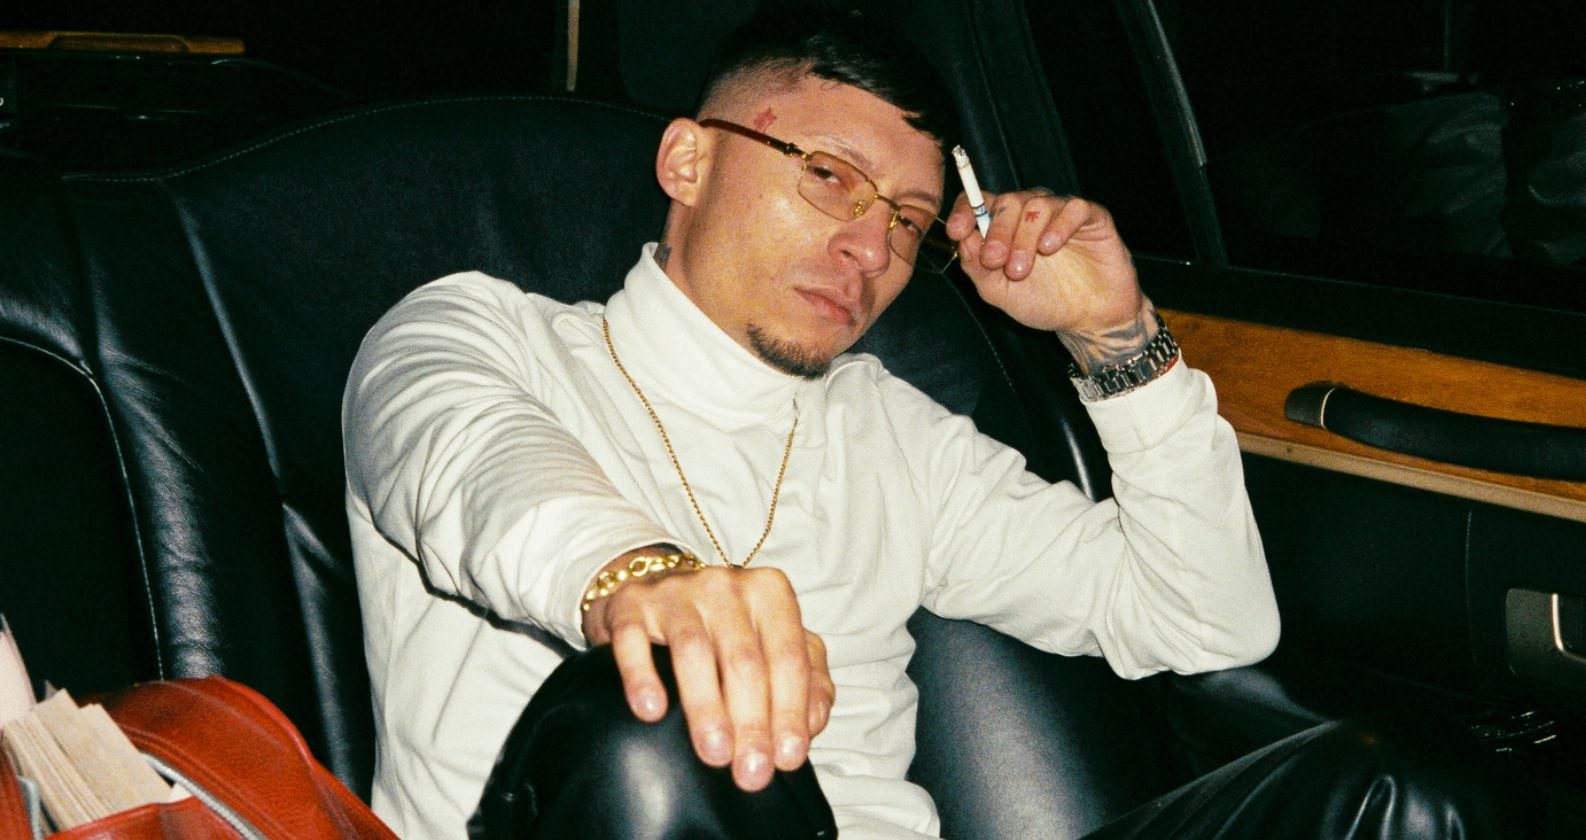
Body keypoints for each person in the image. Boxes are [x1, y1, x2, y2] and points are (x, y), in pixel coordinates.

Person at [342, 9, 1503, 839]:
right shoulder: (477, 336)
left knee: (1390, 791)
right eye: (827, 177)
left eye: (906, 218)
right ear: (687, 159)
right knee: (663, 728)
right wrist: (639, 581)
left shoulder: (894, 432)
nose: (868, 246)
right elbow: (468, 462)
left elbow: (1207, 620)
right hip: (600, 810)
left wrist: (1119, 342)